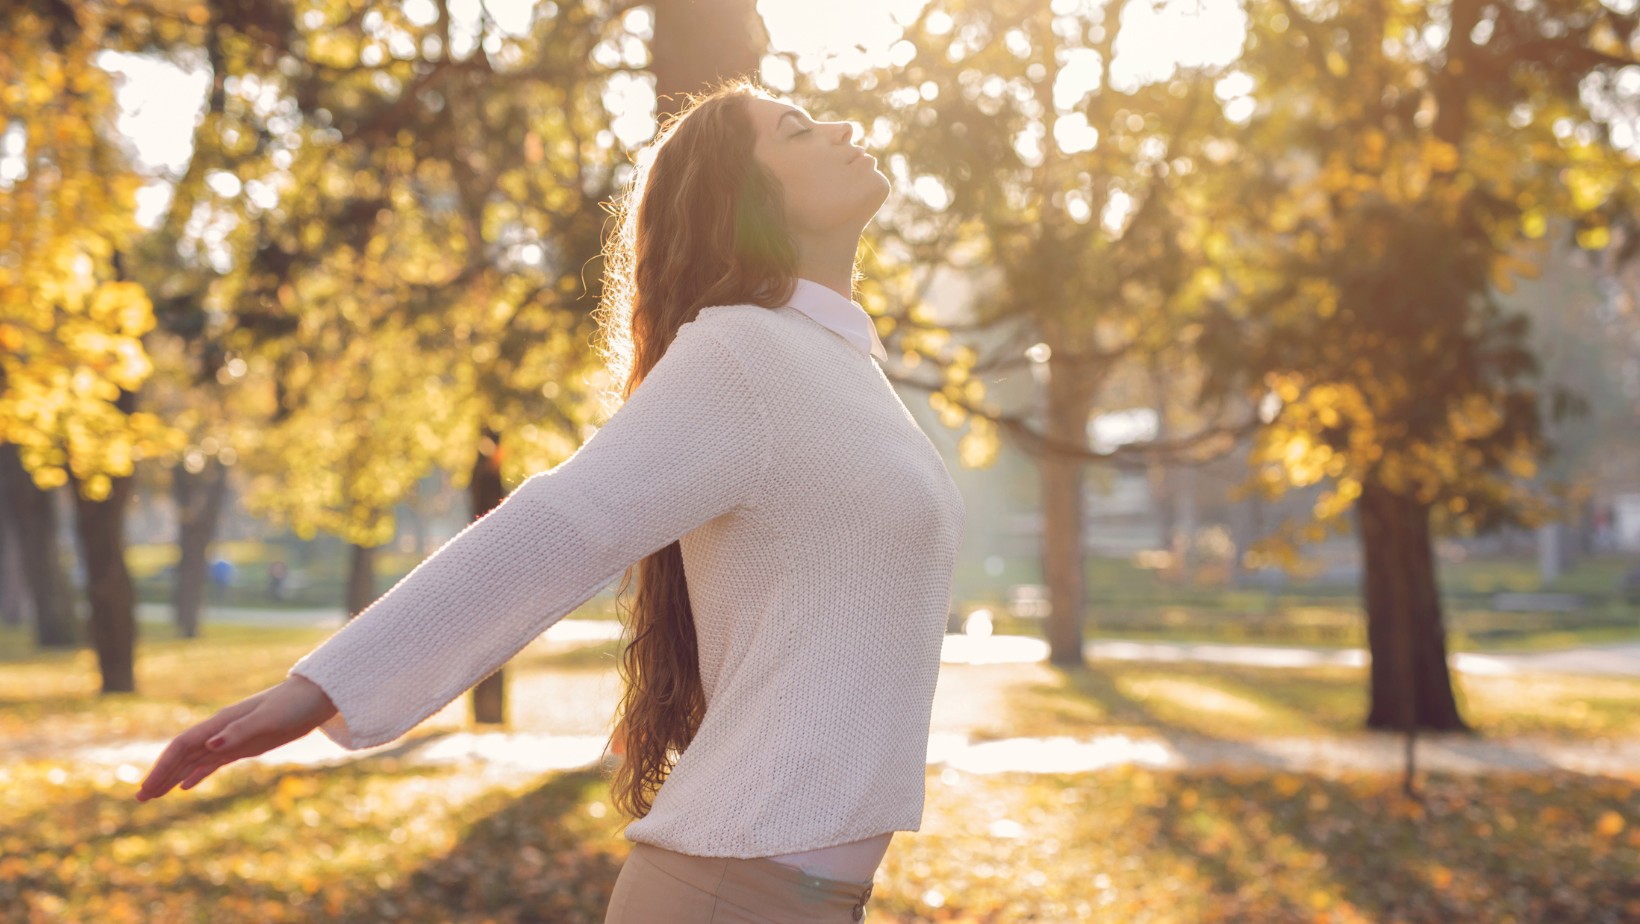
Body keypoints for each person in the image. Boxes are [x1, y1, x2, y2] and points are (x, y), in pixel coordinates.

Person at [134, 79, 965, 924]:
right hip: (734, 896)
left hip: (807, 898)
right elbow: (564, 523)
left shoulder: (841, 367)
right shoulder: (742, 355)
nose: (843, 125)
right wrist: (322, 688)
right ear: (745, 199)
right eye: (797, 129)